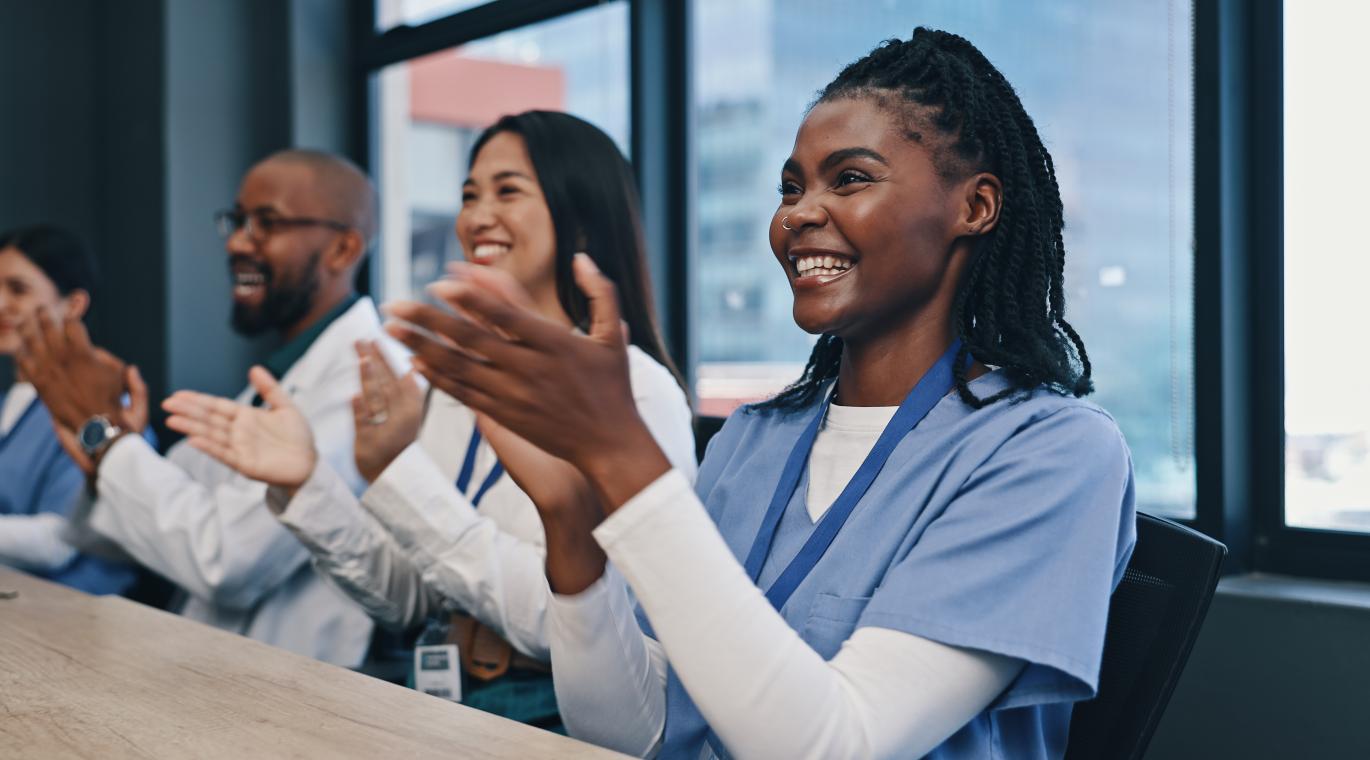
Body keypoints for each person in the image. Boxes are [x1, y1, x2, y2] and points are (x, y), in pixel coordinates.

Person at [383, 28, 1136, 760]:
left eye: (850, 178)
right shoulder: (754, 437)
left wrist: (624, 463)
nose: (798, 214)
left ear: (975, 207)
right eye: (791, 188)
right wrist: (571, 528)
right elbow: (629, 733)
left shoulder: (1052, 452)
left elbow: (837, 745)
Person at [159, 111, 696, 727]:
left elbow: (574, 620)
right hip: (433, 699)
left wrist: (401, 477)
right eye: (468, 195)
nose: (477, 216)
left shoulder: (635, 392)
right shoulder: (458, 384)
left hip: (555, 713)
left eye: (507, 191)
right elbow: (409, 599)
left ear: (579, 214)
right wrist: (306, 485)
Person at [16, 150, 405, 667]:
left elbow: (225, 562)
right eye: (238, 221)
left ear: (343, 248)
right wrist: (100, 462)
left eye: (267, 223)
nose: (238, 242)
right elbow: (105, 537)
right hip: (213, 674)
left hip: (293, 690)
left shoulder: (366, 383)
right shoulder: (278, 378)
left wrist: (107, 439)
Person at [0, 225, 138, 595]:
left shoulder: (104, 408)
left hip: (78, 614)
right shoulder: (11, 404)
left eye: (18, 289)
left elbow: (59, 542)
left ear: (74, 305)